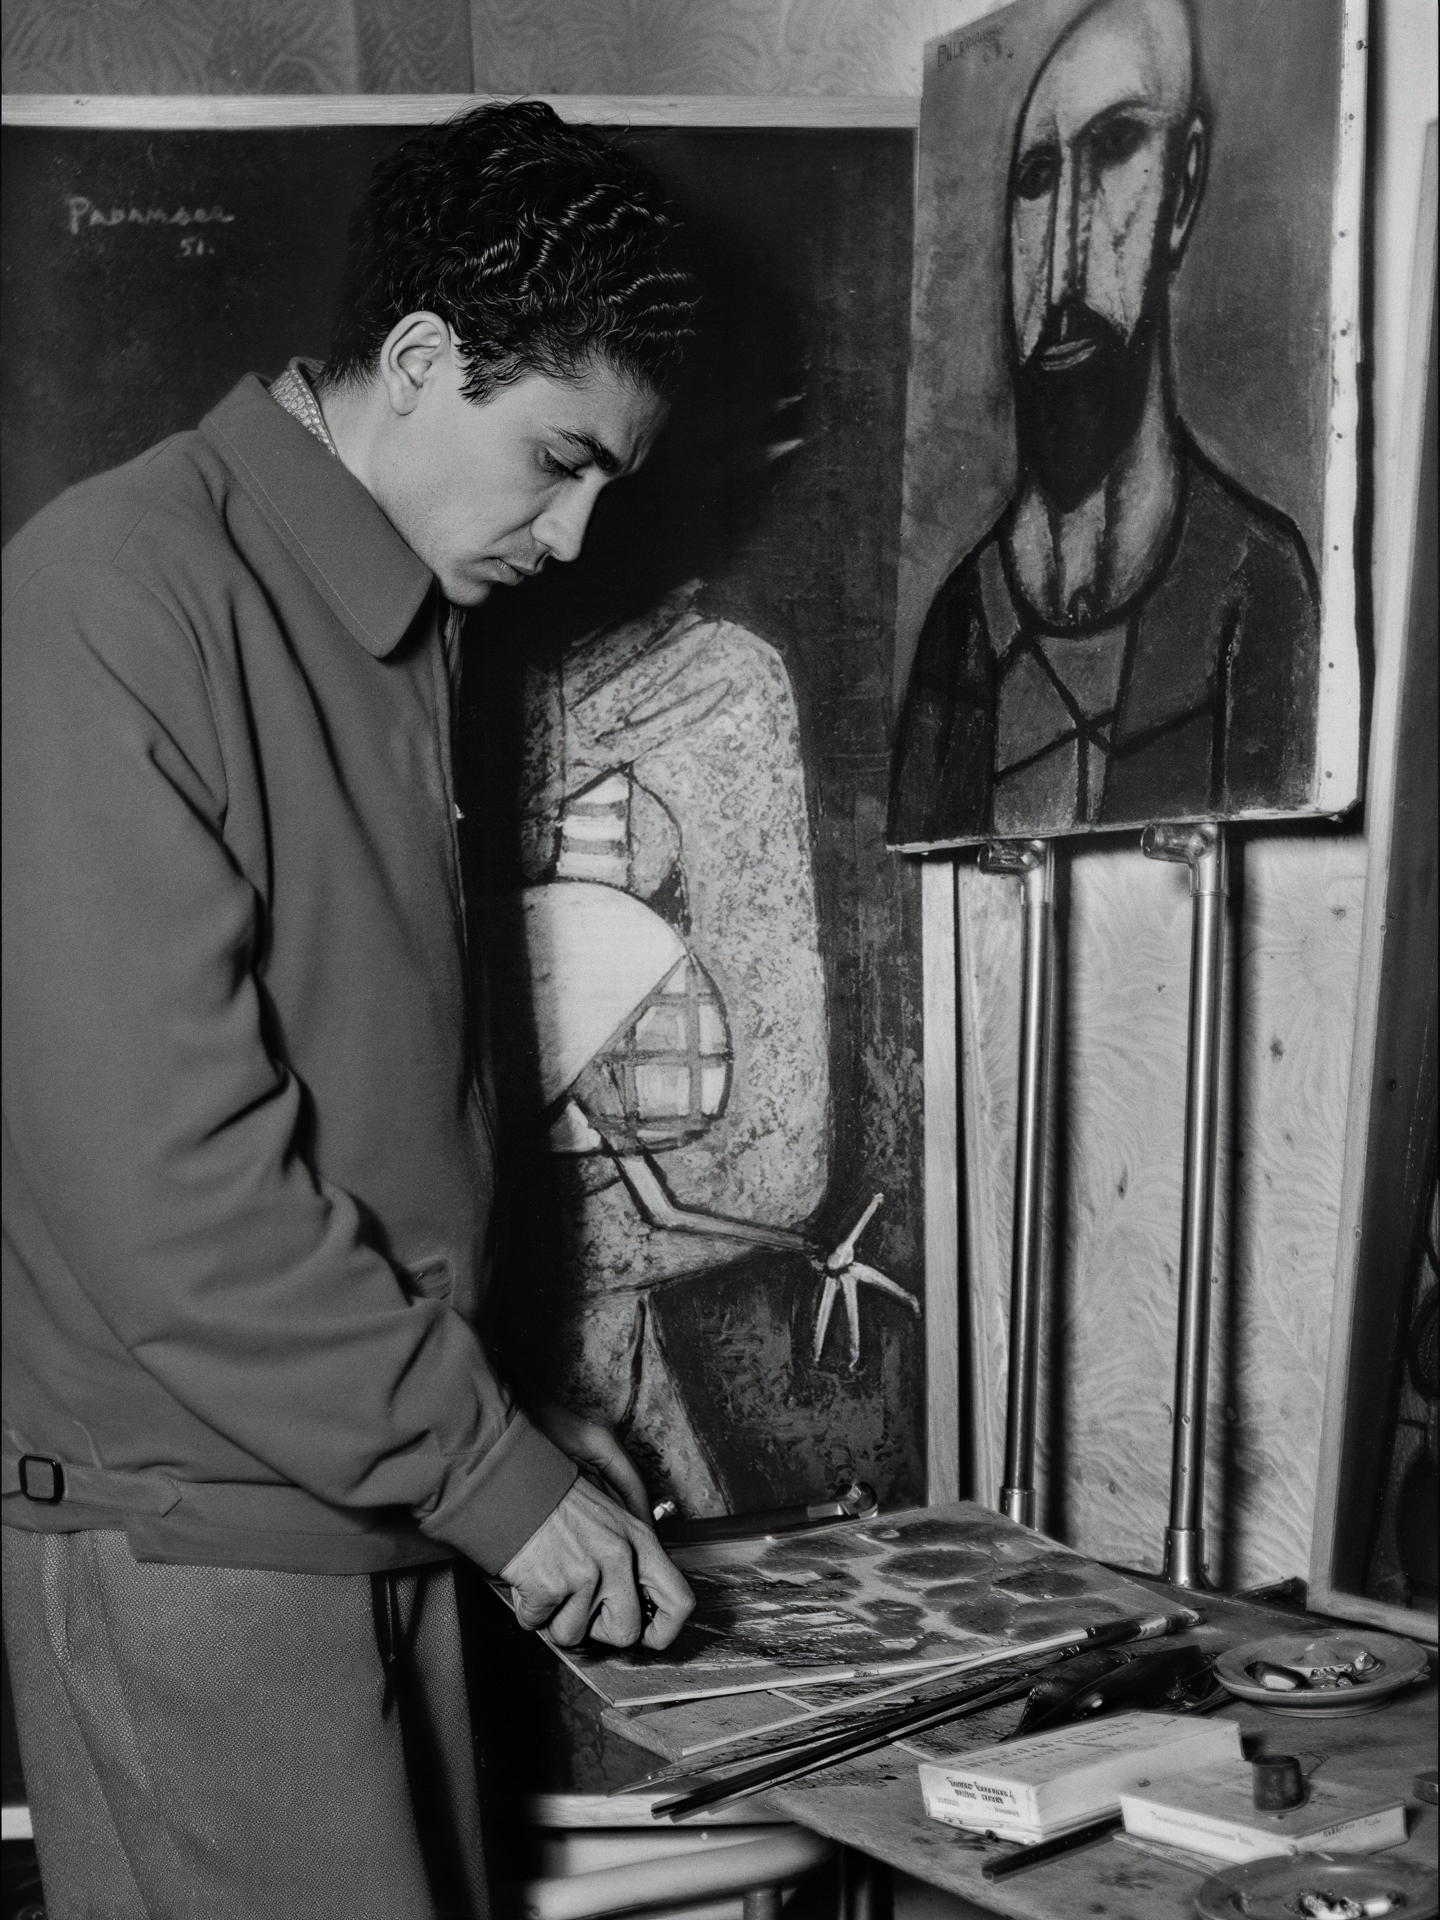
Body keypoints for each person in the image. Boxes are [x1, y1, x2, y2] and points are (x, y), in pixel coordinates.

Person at [1, 101, 698, 1920]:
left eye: (611, 479)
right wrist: (487, 1462)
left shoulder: (399, 611)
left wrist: (504, 1427)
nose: (575, 532)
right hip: (203, 1538)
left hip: (370, 1494)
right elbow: (169, 1191)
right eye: (556, 461)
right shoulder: (110, 594)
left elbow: (366, 1109)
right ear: (414, 361)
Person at [889, 0, 1321, 849]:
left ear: (1185, 187)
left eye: (1117, 147)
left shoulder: (1257, 590)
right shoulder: (959, 627)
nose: (1063, 260)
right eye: (1037, 178)